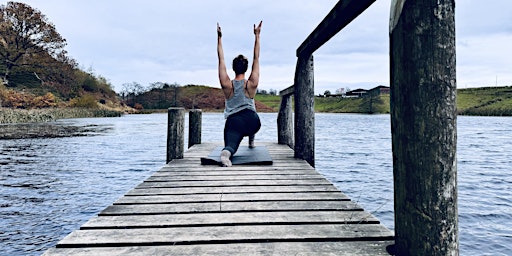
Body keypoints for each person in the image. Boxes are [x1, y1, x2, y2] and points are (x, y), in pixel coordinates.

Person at [217, 21, 262, 167]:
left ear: (233, 68)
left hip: (234, 122)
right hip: (252, 121)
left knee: (230, 146)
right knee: (251, 109)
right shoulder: (250, 84)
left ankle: (226, 155)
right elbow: (256, 58)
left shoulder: (227, 85)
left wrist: (219, 38)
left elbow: (221, 59)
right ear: (246, 68)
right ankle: (251, 140)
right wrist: (257, 36)